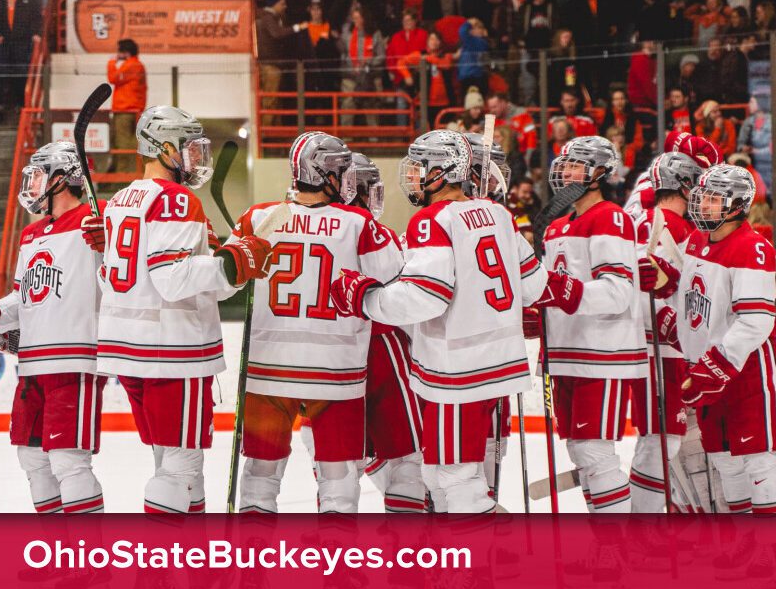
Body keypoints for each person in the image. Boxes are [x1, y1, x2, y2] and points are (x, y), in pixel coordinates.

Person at [329, 129, 579, 513]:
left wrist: (364, 297)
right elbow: (536, 287)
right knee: (439, 472)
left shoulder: (431, 220)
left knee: (454, 474)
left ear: (442, 171)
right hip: (501, 365)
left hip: (456, 372)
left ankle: (472, 570)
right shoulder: (500, 213)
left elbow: (426, 297)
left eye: (419, 167)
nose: (412, 176)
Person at [86, 106, 272, 513]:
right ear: (163, 147)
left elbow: (113, 278)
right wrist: (232, 264)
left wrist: (227, 272)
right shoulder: (175, 199)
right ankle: (163, 572)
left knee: (168, 459)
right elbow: (172, 278)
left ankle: (190, 562)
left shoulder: (119, 200)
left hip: (129, 350)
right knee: (181, 466)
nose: (195, 158)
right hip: (171, 350)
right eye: (188, 148)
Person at [232, 133, 403, 515]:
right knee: (338, 479)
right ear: (326, 173)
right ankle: (335, 569)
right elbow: (396, 278)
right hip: (336, 373)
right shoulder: (358, 223)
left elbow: (227, 280)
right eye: (342, 172)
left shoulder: (258, 217)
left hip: (268, 370)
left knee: (260, 473)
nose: (347, 181)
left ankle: (252, 570)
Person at [0, 142, 108, 514]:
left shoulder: (100, 220)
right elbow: (25, 298)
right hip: (33, 364)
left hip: (75, 362)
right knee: (32, 457)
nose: (34, 183)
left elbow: (124, 273)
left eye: (40, 174)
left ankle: (87, 563)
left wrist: (112, 238)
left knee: (69, 461)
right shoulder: (31, 234)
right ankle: (58, 554)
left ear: (62, 178)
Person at [677, 163, 776, 536]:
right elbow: (688, 301)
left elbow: (756, 321)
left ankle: (769, 551)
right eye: (702, 197)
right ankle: (744, 542)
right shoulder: (694, 240)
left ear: (737, 205)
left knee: (757, 459)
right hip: (708, 368)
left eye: (713, 199)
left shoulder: (753, 247)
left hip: (747, 368)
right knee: (725, 460)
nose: (703, 205)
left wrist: (715, 364)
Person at [344, 152, 425, 512]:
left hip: (321, 360)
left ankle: (336, 558)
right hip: (380, 349)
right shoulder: (370, 228)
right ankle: (409, 554)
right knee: (407, 460)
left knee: (335, 469)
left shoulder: (291, 222)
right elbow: (400, 292)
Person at [630, 151, 700, 512]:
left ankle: (660, 509)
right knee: (662, 439)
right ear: (684, 186)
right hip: (661, 347)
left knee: (666, 438)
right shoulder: (667, 225)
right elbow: (647, 288)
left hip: (657, 345)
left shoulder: (645, 219)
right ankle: (643, 524)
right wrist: (674, 327)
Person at [0, 0, 43, 117]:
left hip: (22, 41)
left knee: (21, 73)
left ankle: (21, 104)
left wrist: (36, 34)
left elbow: (37, 18)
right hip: (3, 41)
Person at [257, 0, 307, 127]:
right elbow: (277, 33)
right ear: (275, 4)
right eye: (282, 4)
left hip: (271, 65)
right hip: (270, 66)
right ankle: (266, 132)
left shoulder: (269, 18)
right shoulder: (268, 18)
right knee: (270, 100)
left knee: (274, 101)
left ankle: (274, 133)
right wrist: (298, 27)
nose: (285, 7)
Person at [338, 7, 384, 128]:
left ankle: (374, 138)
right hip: (351, 75)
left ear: (364, 18)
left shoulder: (375, 34)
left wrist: (368, 62)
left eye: (358, 18)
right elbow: (344, 56)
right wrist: (352, 67)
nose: (355, 21)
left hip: (370, 76)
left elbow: (381, 56)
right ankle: (346, 137)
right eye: (354, 18)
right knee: (347, 104)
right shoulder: (347, 34)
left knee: (371, 106)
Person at [106, 39, 147, 173]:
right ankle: (125, 172)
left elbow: (113, 78)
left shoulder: (132, 66)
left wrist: (112, 62)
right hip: (131, 110)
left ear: (125, 52)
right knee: (126, 142)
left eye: (119, 51)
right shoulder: (137, 65)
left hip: (125, 110)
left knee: (122, 144)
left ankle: (121, 176)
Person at [737, 94, 773, 189]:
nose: (749, 105)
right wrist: (743, 147)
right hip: (750, 155)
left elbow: (772, 144)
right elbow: (740, 142)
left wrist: (756, 151)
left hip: (767, 155)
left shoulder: (771, 120)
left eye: (752, 102)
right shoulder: (748, 121)